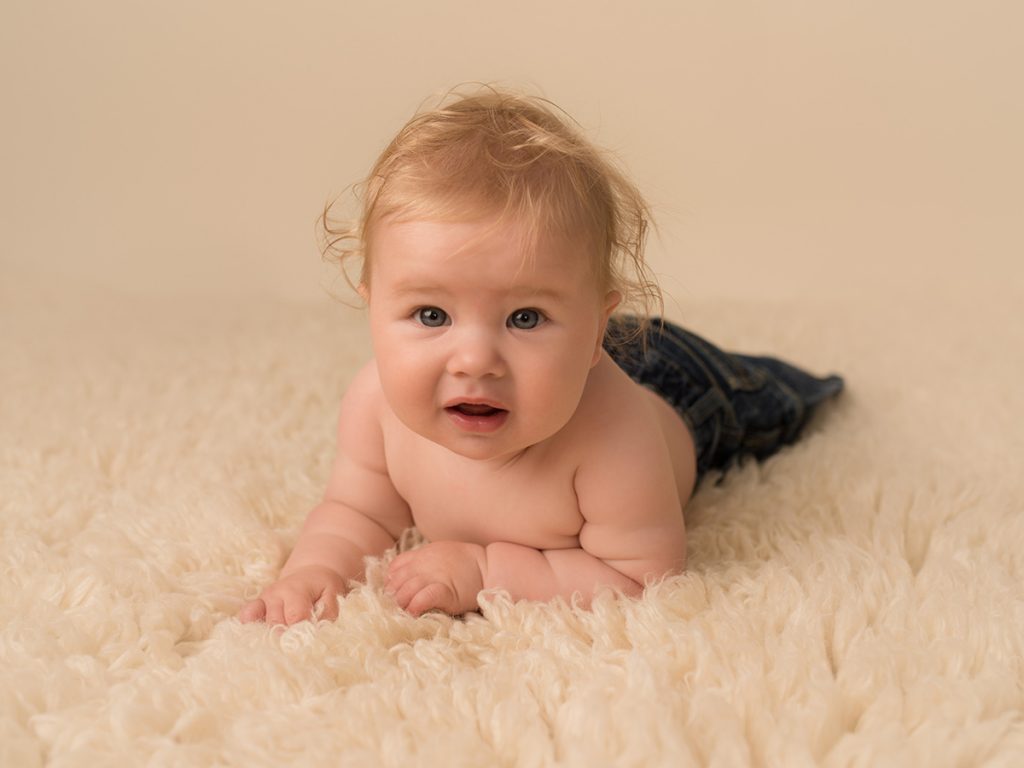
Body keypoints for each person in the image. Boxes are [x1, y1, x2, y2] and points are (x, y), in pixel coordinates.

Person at [238, 86, 843, 625]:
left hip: (682, 386)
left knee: (776, 399)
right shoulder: (376, 406)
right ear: (371, 309)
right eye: (431, 315)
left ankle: (808, 383)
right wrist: (312, 571)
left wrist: (485, 571)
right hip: (560, 359)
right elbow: (355, 511)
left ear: (594, 329)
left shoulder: (614, 438)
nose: (474, 360)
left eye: (523, 316)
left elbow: (640, 579)